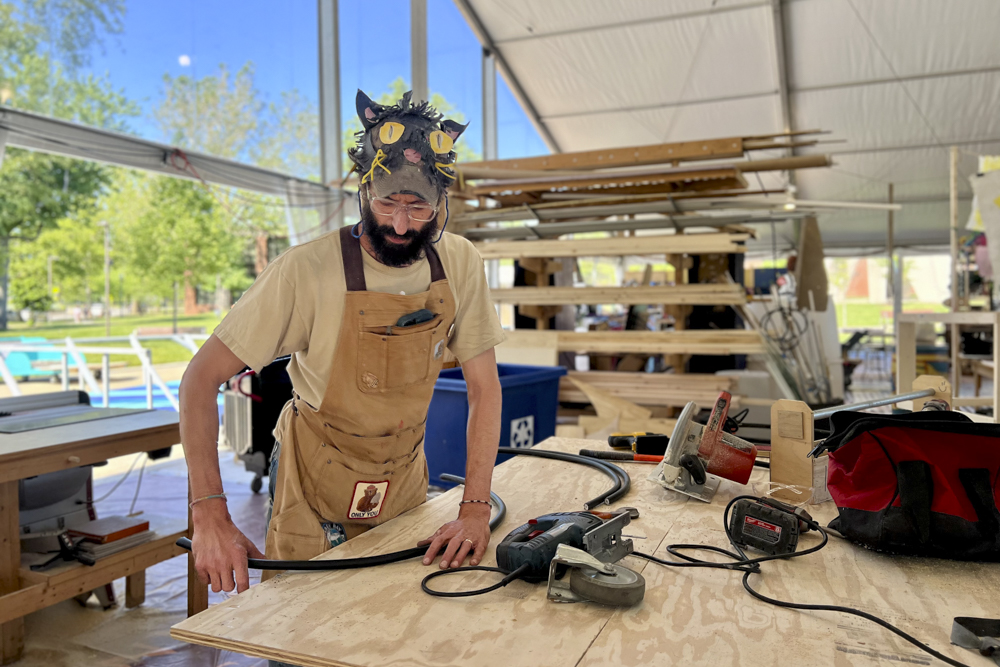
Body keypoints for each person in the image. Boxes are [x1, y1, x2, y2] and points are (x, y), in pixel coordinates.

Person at [179, 90, 505, 601]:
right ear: (362, 189)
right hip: (313, 486)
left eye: (417, 207)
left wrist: (474, 509)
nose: (400, 224)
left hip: (402, 483)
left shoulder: (460, 264)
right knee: (299, 632)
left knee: (397, 629)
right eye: (387, 203)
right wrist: (209, 513)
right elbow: (199, 381)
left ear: (442, 202)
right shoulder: (306, 271)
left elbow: (485, 389)